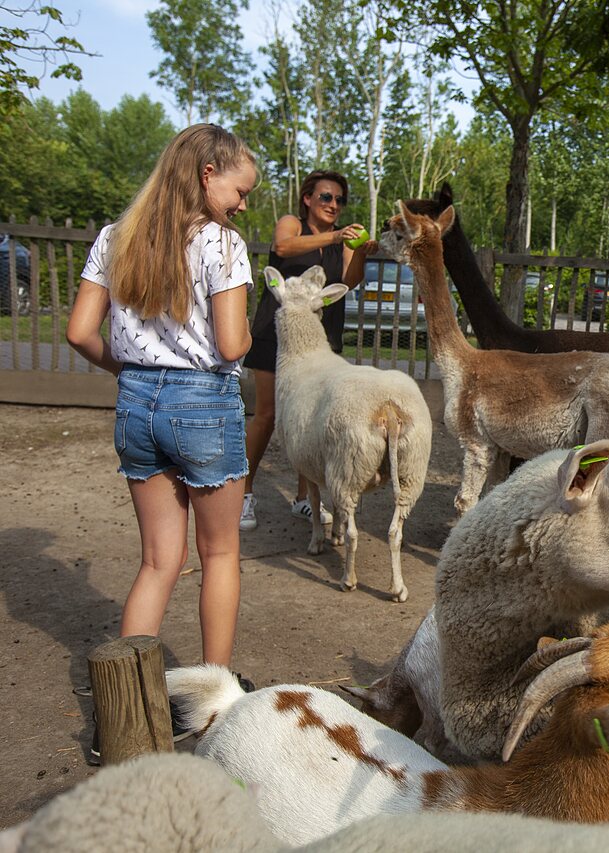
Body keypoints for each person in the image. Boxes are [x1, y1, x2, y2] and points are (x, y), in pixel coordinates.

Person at [66, 124, 258, 749]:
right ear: (209, 174)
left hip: (135, 405)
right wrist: (251, 335)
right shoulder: (222, 244)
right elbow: (231, 345)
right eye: (240, 189)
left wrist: (129, 370)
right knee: (220, 555)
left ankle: (122, 722)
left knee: (157, 562)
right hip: (203, 404)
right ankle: (214, 705)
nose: (243, 204)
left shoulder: (116, 238)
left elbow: (78, 333)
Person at [238, 170, 378, 531]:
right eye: (326, 198)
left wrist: (359, 251)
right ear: (308, 200)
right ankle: (245, 494)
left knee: (309, 419)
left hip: (318, 342)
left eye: (339, 200)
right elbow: (282, 248)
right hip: (277, 334)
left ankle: (304, 500)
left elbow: (349, 282)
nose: (334, 205)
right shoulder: (291, 224)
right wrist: (336, 235)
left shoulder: (343, 241)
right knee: (267, 415)